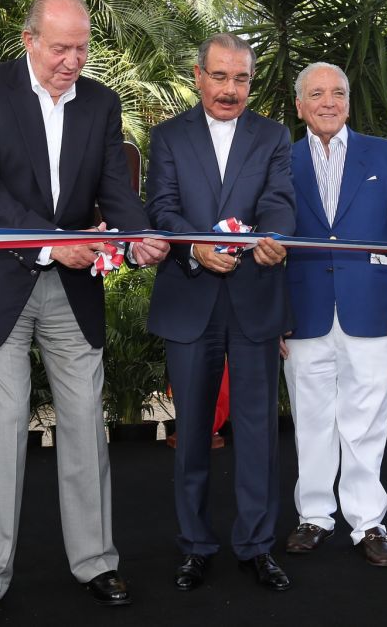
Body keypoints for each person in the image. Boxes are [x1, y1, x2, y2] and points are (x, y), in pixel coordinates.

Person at [0, 0, 169, 627]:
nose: (72, 61)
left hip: (73, 288)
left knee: (85, 425)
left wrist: (140, 236)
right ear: (30, 40)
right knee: (4, 429)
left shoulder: (100, 101)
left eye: (82, 49)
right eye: (61, 48)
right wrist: (53, 242)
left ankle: (96, 562)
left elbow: (114, 190)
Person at [145, 32, 296, 592]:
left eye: (241, 79)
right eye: (220, 76)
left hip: (255, 300)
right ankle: (195, 546)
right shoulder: (168, 137)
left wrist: (274, 237)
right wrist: (195, 247)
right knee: (192, 435)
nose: (230, 89)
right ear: (198, 75)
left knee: (258, 434)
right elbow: (161, 208)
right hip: (190, 301)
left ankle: (257, 546)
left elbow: (280, 201)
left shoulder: (273, 136)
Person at [280, 63, 387, 566]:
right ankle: (314, 516)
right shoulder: (281, 159)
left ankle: (368, 522)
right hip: (303, 312)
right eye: (317, 93)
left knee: (366, 423)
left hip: (373, 308)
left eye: (338, 93)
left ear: (349, 101)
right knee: (311, 419)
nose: (329, 102)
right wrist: (273, 314)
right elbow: (269, 241)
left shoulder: (386, 156)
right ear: (299, 105)